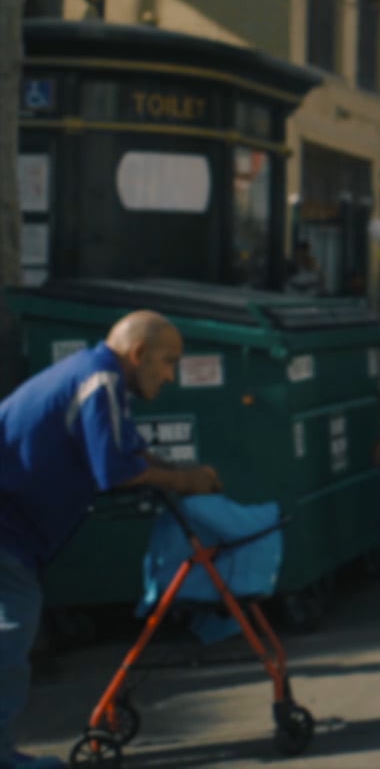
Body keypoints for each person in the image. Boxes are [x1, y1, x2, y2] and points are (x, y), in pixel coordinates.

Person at [1, 312, 222, 769]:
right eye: (167, 362)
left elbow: (131, 451)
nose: (169, 374)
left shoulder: (101, 378)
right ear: (138, 353)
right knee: (7, 641)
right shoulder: (98, 380)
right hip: (8, 534)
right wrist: (186, 482)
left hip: (16, 533)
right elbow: (119, 472)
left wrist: (184, 474)